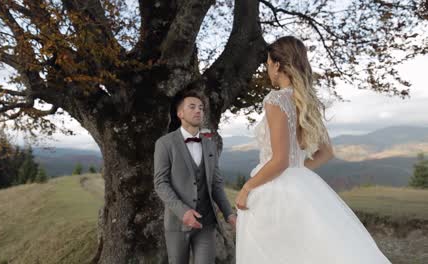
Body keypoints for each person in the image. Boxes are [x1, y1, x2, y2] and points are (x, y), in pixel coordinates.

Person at [234, 36, 391, 263]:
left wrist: (247, 188)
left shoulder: (276, 99)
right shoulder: (306, 102)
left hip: (273, 192)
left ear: (277, 65)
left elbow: (279, 160)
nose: (268, 69)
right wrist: (297, 171)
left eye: (268, 64)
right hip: (301, 185)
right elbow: (326, 152)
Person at [154, 88, 237, 264]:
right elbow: (161, 183)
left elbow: (216, 183)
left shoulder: (210, 145)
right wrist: (183, 212)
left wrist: (229, 214)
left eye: (201, 107)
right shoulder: (164, 144)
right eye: (192, 107)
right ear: (180, 113)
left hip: (206, 223)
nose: (198, 110)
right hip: (177, 223)